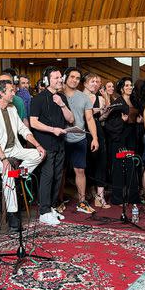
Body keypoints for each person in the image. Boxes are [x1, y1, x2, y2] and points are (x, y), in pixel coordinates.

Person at [0, 79, 45, 231]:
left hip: (14, 149)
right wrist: (4, 159)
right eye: (11, 90)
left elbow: (23, 130)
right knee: (8, 174)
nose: (14, 92)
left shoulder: (12, 108)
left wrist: (37, 145)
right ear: (1, 93)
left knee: (40, 154)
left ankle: (20, 175)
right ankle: (13, 216)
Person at [29, 67, 74, 225]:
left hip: (60, 143)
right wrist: (52, 130)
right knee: (47, 177)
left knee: (58, 177)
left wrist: (62, 104)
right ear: (47, 80)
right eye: (56, 78)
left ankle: (52, 207)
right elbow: (33, 122)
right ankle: (44, 211)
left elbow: (71, 119)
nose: (60, 80)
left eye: (60, 77)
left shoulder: (62, 97)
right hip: (45, 143)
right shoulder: (38, 99)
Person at [62, 67, 99, 214]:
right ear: (66, 77)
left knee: (80, 170)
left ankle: (82, 202)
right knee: (61, 171)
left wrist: (95, 138)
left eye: (77, 78)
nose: (74, 80)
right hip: (61, 138)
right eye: (72, 77)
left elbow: (89, 119)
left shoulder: (84, 97)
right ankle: (58, 201)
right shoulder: (58, 94)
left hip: (79, 138)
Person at [105, 77, 141, 205]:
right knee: (119, 168)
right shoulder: (117, 103)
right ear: (121, 88)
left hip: (131, 137)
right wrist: (122, 121)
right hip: (119, 138)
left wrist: (138, 121)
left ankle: (132, 198)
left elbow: (135, 118)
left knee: (131, 167)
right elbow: (108, 124)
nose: (130, 87)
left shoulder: (134, 101)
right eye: (127, 85)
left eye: (131, 85)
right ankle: (118, 198)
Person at [83, 73, 110, 208]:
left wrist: (105, 111)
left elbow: (102, 118)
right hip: (84, 131)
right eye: (92, 81)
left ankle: (100, 196)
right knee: (86, 164)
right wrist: (91, 111)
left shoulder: (100, 98)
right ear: (85, 83)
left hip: (98, 130)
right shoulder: (79, 97)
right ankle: (88, 193)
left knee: (101, 162)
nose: (95, 83)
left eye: (97, 81)